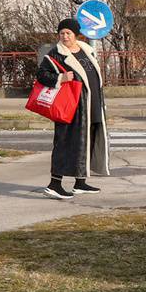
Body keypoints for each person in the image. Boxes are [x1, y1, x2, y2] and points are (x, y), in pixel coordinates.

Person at [35, 17, 110, 200]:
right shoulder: (56, 54)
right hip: (71, 108)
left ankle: (80, 182)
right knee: (65, 144)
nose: (65, 36)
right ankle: (54, 184)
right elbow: (41, 75)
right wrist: (61, 78)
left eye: (68, 33)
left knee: (85, 143)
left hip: (91, 105)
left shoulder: (86, 50)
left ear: (76, 34)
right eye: (62, 33)